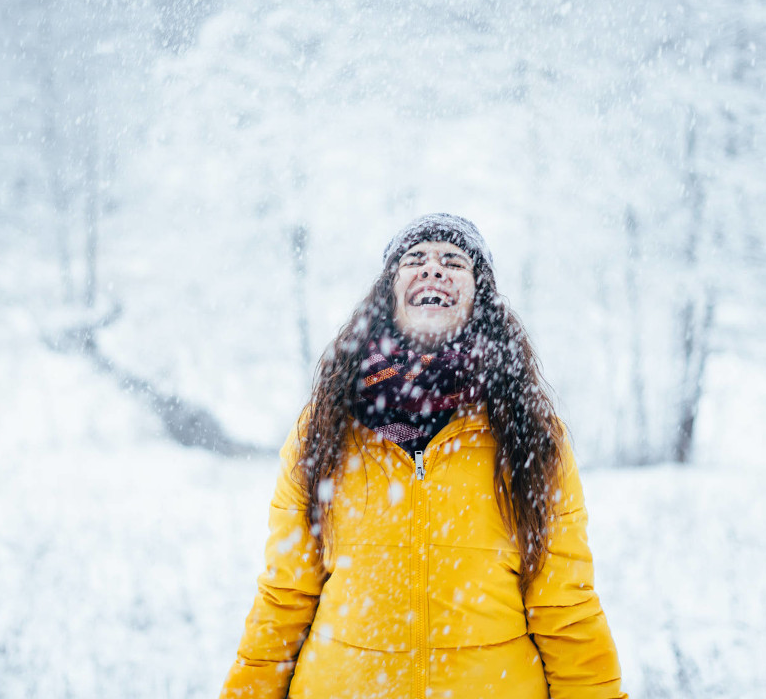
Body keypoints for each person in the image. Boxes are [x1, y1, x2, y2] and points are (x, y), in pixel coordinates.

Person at [220, 214, 626, 699]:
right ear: (389, 292)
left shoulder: (530, 434)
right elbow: (285, 596)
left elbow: (565, 609)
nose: (433, 269)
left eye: (453, 261)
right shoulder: (326, 426)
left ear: (480, 297)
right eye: (415, 259)